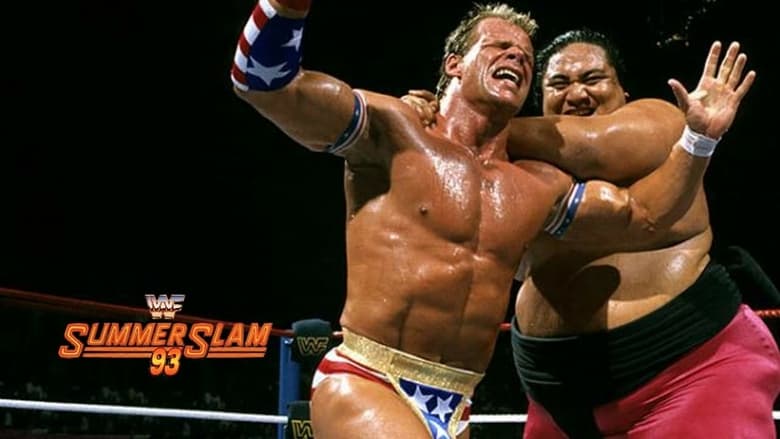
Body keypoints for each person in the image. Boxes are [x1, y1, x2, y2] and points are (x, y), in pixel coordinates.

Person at [229, 2, 753, 437]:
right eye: (499, 46)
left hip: (455, 400)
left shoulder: (536, 184)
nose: (516, 56)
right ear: (454, 63)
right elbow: (266, 86)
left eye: (524, 55)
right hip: (370, 377)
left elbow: (643, 218)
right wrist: (285, 7)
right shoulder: (394, 131)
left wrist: (699, 137)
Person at [510, 30, 779, 438]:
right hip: (552, 394)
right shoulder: (519, 169)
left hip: (686, 374)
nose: (577, 93)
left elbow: (594, 146)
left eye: (593, 79)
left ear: (623, 92)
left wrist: (462, 125)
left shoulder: (663, 122)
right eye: (559, 84)